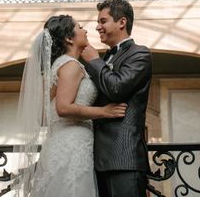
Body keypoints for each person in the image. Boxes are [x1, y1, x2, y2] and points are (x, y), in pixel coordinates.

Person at [14, 14, 127, 197]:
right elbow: (63, 108)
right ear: (68, 38)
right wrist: (104, 111)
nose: (86, 30)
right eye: (80, 27)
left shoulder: (58, 66)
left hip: (62, 141)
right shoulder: (71, 66)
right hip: (73, 144)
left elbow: (43, 116)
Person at [81, 0, 152, 197]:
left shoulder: (140, 54)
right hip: (96, 160)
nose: (97, 27)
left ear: (122, 22)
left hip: (123, 159)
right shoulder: (104, 58)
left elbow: (117, 88)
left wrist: (94, 61)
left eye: (103, 21)